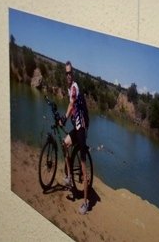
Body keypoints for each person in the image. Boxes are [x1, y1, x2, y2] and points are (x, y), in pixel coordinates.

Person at [61, 61, 92, 214]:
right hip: (76, 128)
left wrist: (64, 118)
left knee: (84, 169)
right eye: (66, 73)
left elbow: (71, 104)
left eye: (70, 72)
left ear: (73, 73)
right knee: (64, 143)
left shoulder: (74, 87)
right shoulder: (69, 88)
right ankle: (68, 176)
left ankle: (86, 204)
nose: (68, 75)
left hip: (81, 130)